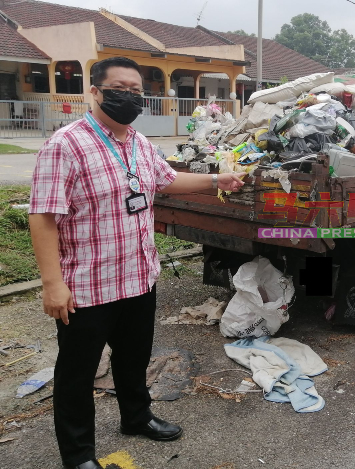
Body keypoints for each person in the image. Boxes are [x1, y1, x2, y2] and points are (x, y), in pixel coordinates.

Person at [28, 57, 245, 469]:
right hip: (88, 287)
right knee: (76, 373)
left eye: (135, 91)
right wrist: (51, 283)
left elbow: (166, 179)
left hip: (138, 278)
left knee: (133, 359)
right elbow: (42, 216)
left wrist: (218, 180)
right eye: (119, 89)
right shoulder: (66, 145)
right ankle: (78, 455)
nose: (128, 97)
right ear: (94, 91)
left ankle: (137, 417)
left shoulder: (138, 142)